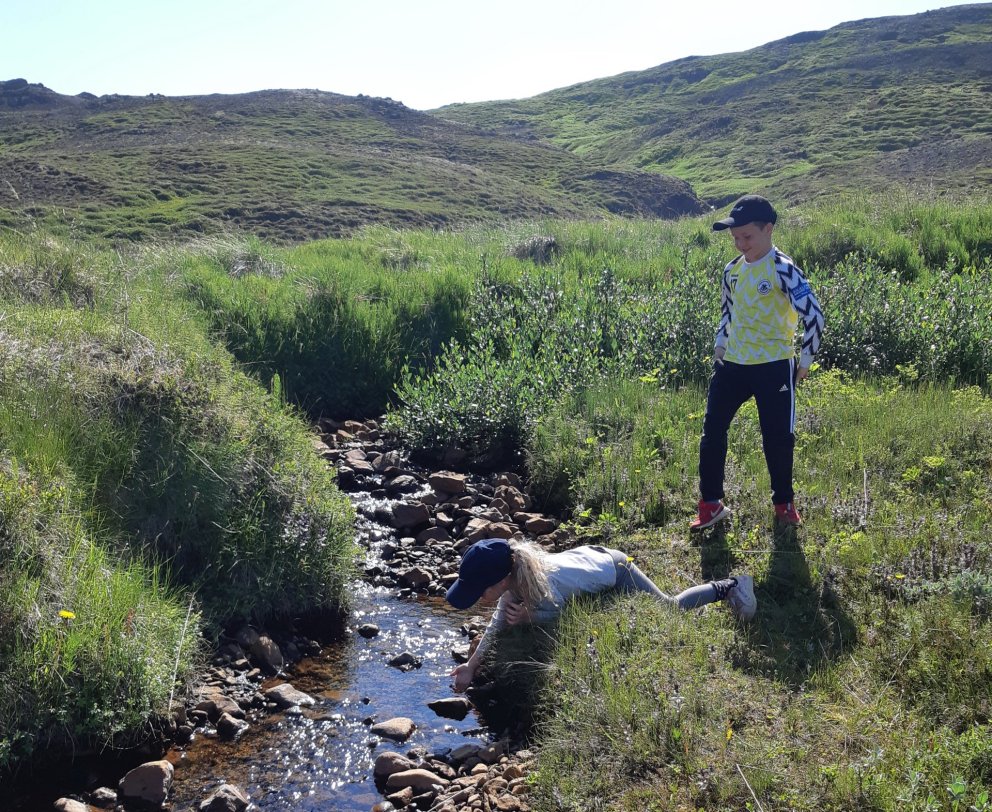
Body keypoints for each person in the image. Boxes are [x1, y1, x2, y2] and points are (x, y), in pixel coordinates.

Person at [446, 538, 756, 693]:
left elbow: (561, 615)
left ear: (500, 582)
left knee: (669, 608)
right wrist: (471, 667)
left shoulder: (544, 582)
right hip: (589, 559)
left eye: (478, 592)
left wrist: (530, 618)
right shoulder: (513, 579)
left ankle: (729, 586)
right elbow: (498, 623)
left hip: (617, 570)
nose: (478, 600)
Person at [692, 195, 824, 530]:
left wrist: (804, 361)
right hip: (732, 365)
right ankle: (710, 504)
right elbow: (727, 313)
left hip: (774, 366)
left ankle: (784, 503)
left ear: (769, 228)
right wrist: (720, 347)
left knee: (777, 438)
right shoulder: (731, 272)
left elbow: (815, 316)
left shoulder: (784, 269)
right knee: (712, 433)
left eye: (747, 237)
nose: (740, 245)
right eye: (735, 238)